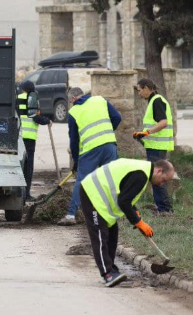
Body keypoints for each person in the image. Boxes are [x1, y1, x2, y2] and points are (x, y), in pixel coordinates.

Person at [79, 158, 177, 287]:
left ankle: (113, 271)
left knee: (112, 235)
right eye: (164, 180)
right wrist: (138, 222)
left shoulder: (143, 171)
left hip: (100, 197)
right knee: (100, 237)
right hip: (92, 193)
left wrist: (135, 213)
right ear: (159, 171)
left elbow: (126, 195)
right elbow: (123, 201)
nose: (161, 184)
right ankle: (107, 274)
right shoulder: (141, 175)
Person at [58, 87, 121, 226]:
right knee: (110, 178)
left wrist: (76, 160)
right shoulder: (100, 100)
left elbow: (74, 141)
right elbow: (117, 117)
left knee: (82, 180)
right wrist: (108, 132)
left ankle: (71, 215)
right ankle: (113, 213)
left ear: (73, 99)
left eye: (70, 101)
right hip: (109, 145)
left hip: (90, 150)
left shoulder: (73, 112)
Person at [134, 78, 174, 214]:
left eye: (139, 90)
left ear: (146, 88)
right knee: (157, 177)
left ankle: (165, 210)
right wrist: (142, 135)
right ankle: (164, 208)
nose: (139, 94)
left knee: (157, 177)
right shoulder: (154, 101)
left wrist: (146, 132)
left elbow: (163, 122)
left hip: (157, 147)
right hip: (155, 146)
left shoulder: (156, 101)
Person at [17, 80, 51, 200]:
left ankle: (17, 192)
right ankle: (26, 194)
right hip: (29, 138)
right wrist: (47, 120)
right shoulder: (32, 99)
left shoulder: (16, 98)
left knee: (18, 165)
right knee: (28, 166)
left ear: (23, 89)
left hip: (18, 137)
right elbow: (35, 117)